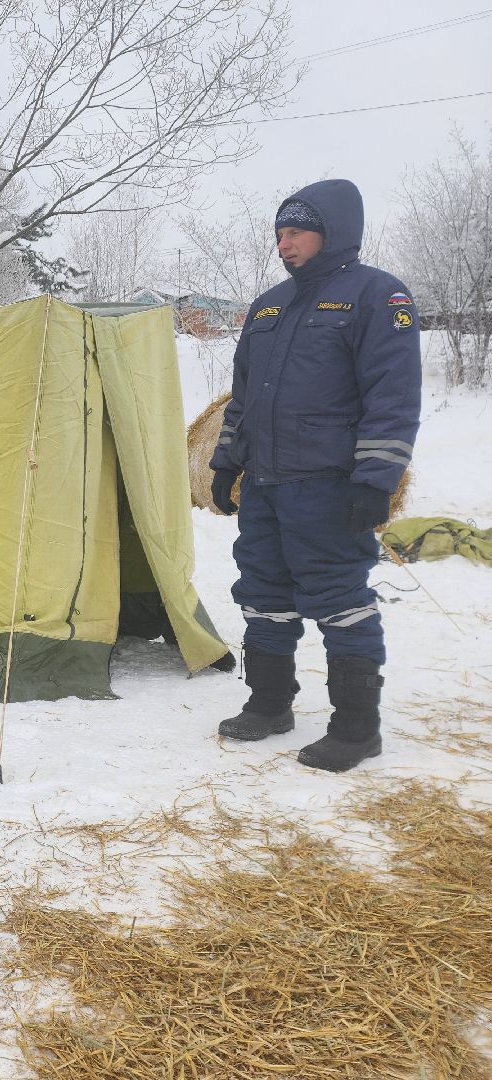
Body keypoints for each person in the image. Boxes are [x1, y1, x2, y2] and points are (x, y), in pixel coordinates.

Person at [210, 178, 420, 772]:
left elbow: (393, 396)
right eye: (279, 233)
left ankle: (356, 729)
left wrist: (376, 480)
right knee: (263, 594)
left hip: (329, 485)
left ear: (333, 232)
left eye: (296, 231)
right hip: (267, 484)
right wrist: (227, 459)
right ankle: (270, 705)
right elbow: (244, 397)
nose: (284, 244)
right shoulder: (270, 305)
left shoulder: (378, 296)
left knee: (340, 599)